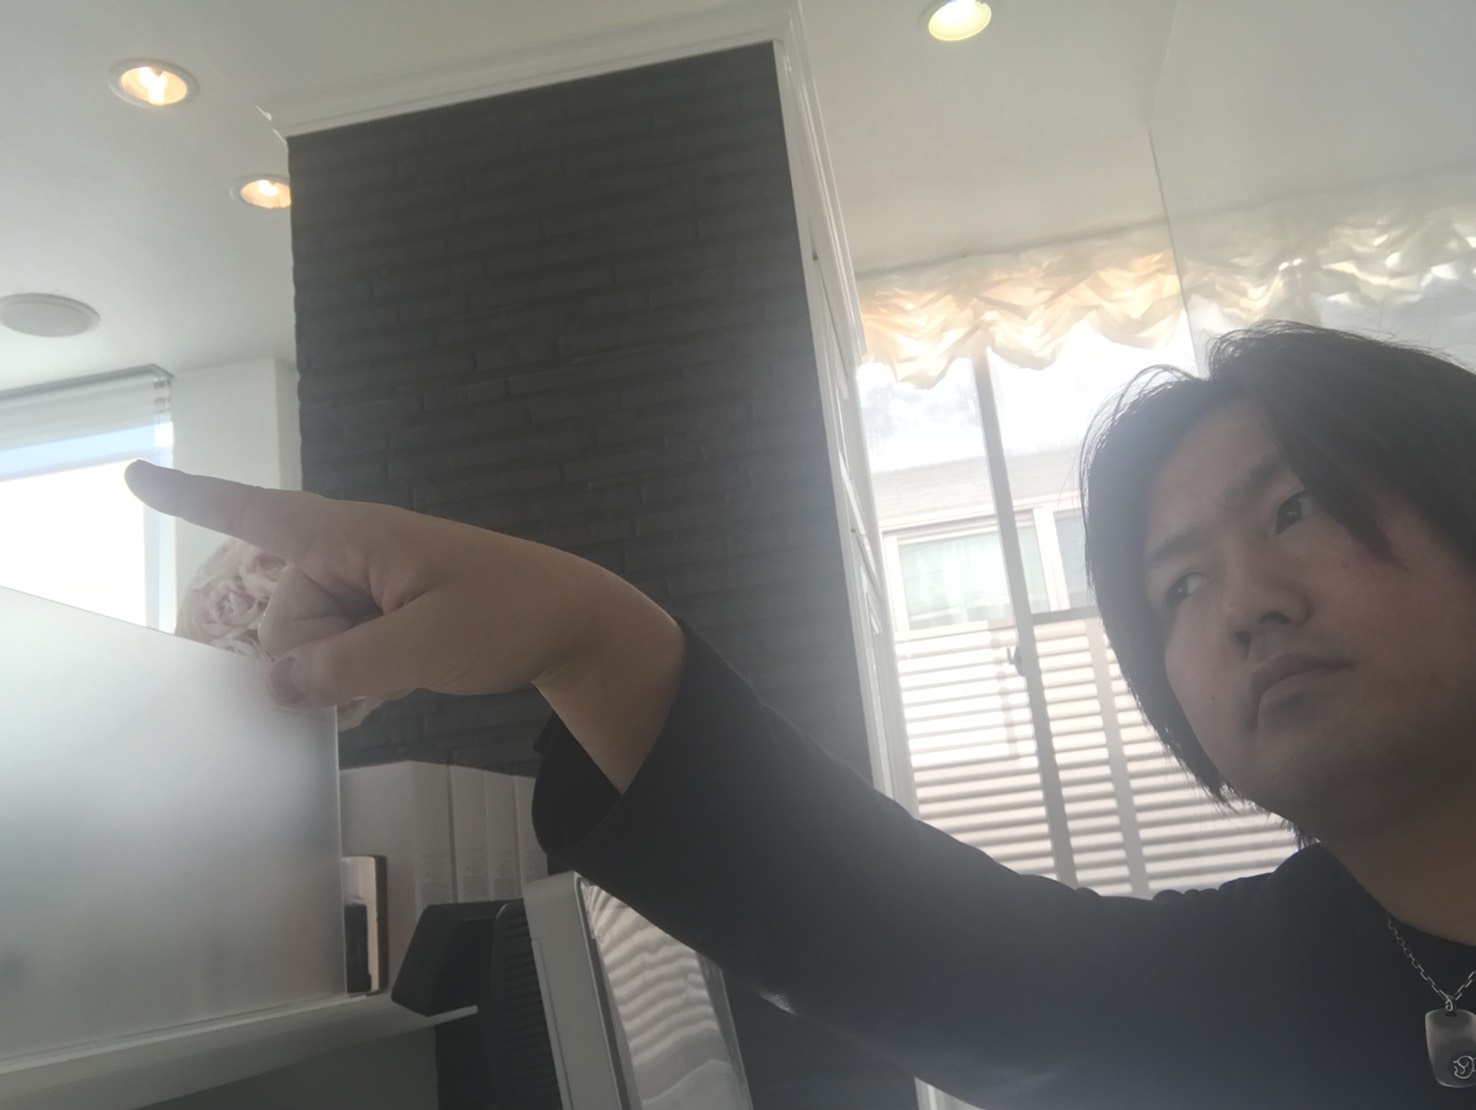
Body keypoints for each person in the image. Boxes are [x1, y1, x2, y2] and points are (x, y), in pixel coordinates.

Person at [124, 321, 1476, 1108]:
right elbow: (958, 964)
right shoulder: (1283, 974)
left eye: (1295, 508)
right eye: (1178, 585)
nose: (1245, 607)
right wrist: (586, 637)